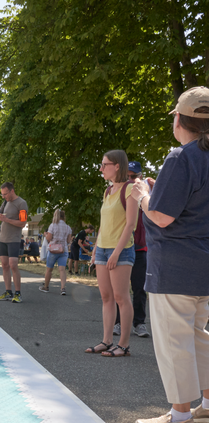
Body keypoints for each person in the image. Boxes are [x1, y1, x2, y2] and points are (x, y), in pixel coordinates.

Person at [134, 87, 209, 423]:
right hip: (205, 264)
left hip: (175, 266)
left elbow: (162, 217)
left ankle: (180, 417)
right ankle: (207, 404)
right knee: (200, 337)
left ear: (180, 120)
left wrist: (144, 196)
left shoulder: (182, 157)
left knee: (176, 340)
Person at [85, 150, 137, 357]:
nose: (101, 168)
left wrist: (116, 252)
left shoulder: (130, 189)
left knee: (121, 297)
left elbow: (131, 224)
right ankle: (107, 341)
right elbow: (104, 224)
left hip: (121, 250)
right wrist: (96, 248)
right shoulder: (107, 191)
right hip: (103, 250)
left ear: (117, 166)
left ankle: (123, 344)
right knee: (106, 296)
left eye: (104, 164)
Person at [113, 161, 151, 339]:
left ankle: (139, 323)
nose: (130, 179)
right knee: (120, 290)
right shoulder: (119, 193)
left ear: (140, 176)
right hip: (123, 247)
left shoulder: (147, 194)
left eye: (133, 176)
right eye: (127, 176)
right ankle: (118, 322)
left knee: (139, 288)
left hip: (141, 249)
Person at [0, 182, 28, 303]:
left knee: (13, 264)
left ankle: (18, 293)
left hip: (14, 239)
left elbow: (22, 223)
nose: (3, 196)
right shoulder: (5, 202)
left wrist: (7, 219)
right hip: (2, 238)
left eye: (5, 194)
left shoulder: (22, 203)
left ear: (12, 191)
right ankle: (8, 292)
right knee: (4, 265)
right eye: (2, 194)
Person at [39, 210, 72, 295]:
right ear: (64, 217)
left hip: (53, 250)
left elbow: (49, 238)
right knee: (62, 270)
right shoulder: (68, 227)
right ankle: (63, 288)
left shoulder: (52, 225)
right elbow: (68, 240)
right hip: (63, 250)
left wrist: (46, 235)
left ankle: (46, 287)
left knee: (49, 269)